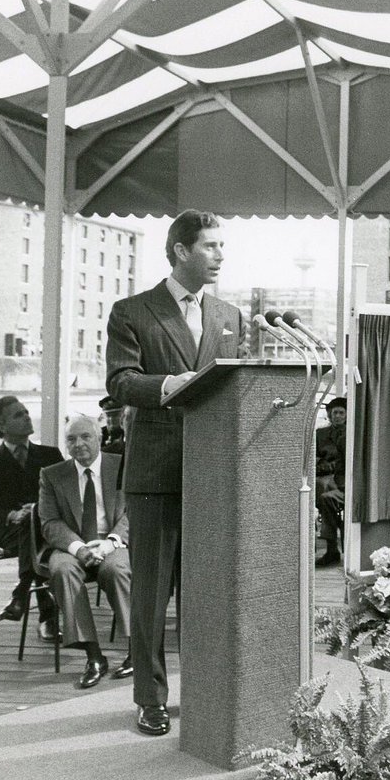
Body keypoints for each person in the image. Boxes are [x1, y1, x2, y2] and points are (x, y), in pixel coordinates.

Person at [105, 209, 245, 737]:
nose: (220, 256)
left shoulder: (228, 314)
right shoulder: (132, 311)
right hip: (155, 474)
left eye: (222, 247)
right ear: (181, 250)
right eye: (210, 246)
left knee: (204, 591)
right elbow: (120, 382)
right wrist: (171, 385)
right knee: (150, 594)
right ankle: (150, 698)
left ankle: (204, 693)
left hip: (213, 474)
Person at [38, 414, 132, 689]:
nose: (78, 444)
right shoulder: (52, 475)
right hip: (72, 543)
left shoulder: (121, 466)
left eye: (85, 437)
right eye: (71, 439)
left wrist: (111, 542)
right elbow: (50, 522)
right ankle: (94, 657)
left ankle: (135, 650)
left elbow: (133, 512)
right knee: (61, 570)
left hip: (111, 540)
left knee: (116, 569)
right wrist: (78, 548)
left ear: (99, 438)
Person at [0, 396, 63, 637]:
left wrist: (37, 509)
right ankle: (47, 615)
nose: (27, 416)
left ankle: (21, 593)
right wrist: (11, 515)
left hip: (47, 527)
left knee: (34, 522)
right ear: (2, 426)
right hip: (7, 531)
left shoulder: (50, 455)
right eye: (18, 414)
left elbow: (69, 494)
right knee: (30, 526)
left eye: (26, 412)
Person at [314, 397, 347, 567]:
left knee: (327, 491)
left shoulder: (352, 433)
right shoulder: (320, 434)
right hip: (323, 476)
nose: (338, 416)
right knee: (322, 486)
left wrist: (329, 466)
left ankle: (332, 547)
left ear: (347, 414)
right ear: (329, 415)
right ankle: (332, 547)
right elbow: (315, 457)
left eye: (342, 412)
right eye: (335, 413)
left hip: (342, 476)